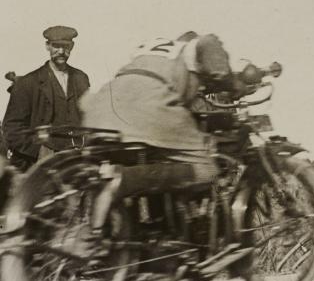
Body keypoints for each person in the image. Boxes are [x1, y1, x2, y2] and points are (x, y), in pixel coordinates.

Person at [80, 32, 251, 239]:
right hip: (150, 105)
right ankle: (124, 179)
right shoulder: (196, 46)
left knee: (158, 165)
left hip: (102, 108)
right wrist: (237, 85)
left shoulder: (152, 49)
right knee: (207, 170)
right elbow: (217, 65)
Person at [2, 26, 90, 171]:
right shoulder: (27, 83)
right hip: (41, 165)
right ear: (47, 46)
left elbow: (87, 117)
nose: (61, 51)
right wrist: (39, 150)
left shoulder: (81, 78)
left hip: (77, 161)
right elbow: (12, 128)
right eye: (56, 46)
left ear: (72, 46)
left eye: (66, 46)